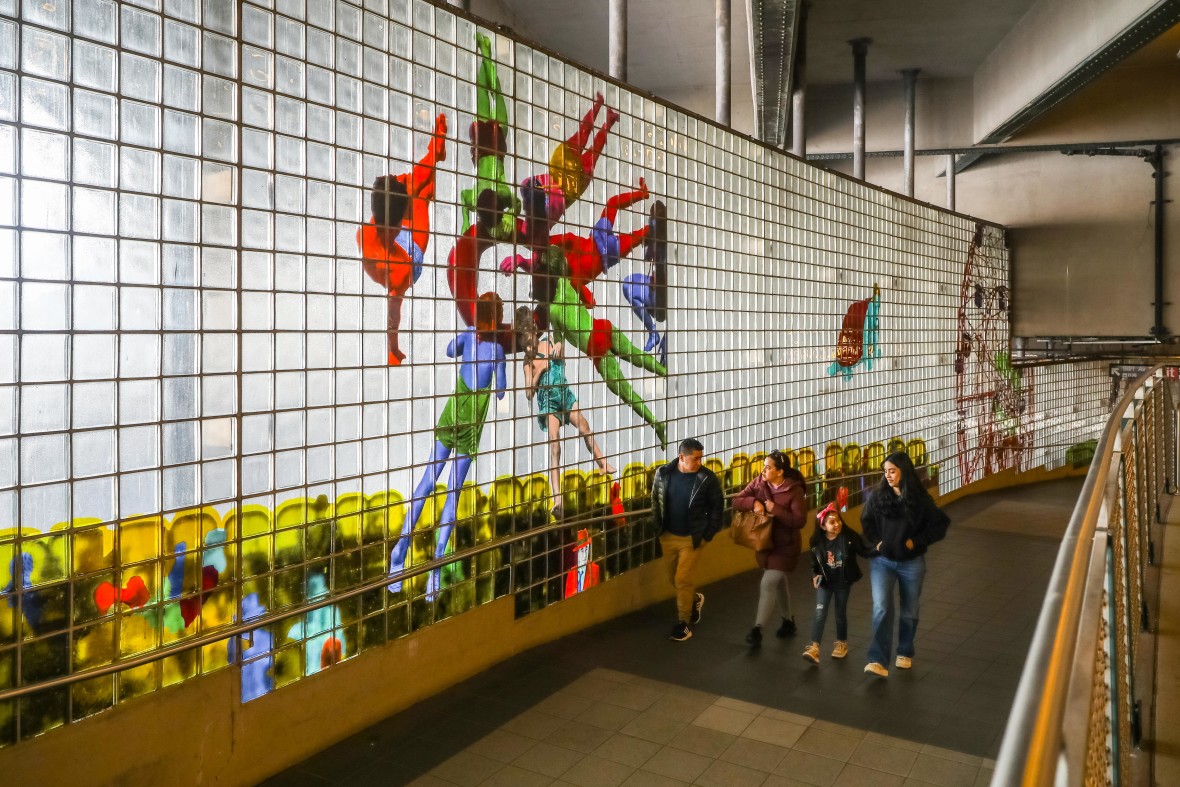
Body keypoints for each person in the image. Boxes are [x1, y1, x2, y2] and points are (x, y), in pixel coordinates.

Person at [387, 294, 509, 596]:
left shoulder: (469, 336)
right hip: (470, 428)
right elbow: (502, 393)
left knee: (427, 482)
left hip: (452, 413)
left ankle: (401, 547)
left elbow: (448, 350)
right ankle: (436, 570)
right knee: (452, 493)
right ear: (496, 318)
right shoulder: (497, 351)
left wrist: (465, 341)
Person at [356, 113, 447, 365]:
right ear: (398, 225)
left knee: (411, 187)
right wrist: (393, 349)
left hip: (389, 239)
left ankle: (434, 152)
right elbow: (393, 314)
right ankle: (434, 157)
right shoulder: (401, 272)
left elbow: (386, 214)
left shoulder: (363, 231)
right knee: (419, 196)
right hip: (411, 255)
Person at [515, 307, 616, 514]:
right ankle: (557, 499)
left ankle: (602, 462)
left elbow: (562, 363)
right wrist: (540, 370)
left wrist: (560, 348)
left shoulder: (551, 342)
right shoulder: (528, 362)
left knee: (585, 427)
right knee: (555, 447)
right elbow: (528, 393)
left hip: (564, 396)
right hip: (549, 404)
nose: (526, 346)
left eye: (528, 340)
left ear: (534, 331)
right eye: (522, 343)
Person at [860, 450, 950, 677]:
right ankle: (877, 660)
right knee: (881, 608)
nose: (888, 476)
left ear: (904, 471)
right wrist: (877, 542)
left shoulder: (920, 500)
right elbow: (866, 520)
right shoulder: (879, 496)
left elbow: (940, 523)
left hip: (912, 563)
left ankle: (905, 651)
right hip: (883, 562)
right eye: (885, 472)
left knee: (909, 610)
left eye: (892, 471)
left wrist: (917, 542)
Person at [651, 438, 725, 641]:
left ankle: (683, 623)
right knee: (673, 578)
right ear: (682, 457)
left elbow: (717, 508)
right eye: (695, 458)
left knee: (682, 579)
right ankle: (694, 600)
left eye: (701, 458)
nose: (700, 462)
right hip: (668, 536)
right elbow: (655, 503)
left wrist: (707, 535)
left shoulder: (707, 478)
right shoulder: (663, 473)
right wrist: (659, 528)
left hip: (692, 538)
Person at [733, 450, 807, 647]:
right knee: (778, 582)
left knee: (768, 583)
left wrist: (775, 509)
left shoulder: (794, 491)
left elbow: (799, 521)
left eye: (768, 467)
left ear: (780, 471)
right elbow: (737, 500)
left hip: (785, 546)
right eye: (764, 466)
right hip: (765, 543)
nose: (763, 470)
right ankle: (788, 622)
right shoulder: (760, 482)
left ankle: (757, 630)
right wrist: (754, 502)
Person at [802, 503, 876, 663]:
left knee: (840, 613)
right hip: (825, 583)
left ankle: (842, 643)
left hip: (843, 582)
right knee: (820, 612)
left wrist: (878, 548)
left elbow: (864, 551)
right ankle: (814, 648)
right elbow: (814, 563)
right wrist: (815, 575)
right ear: (822, 526)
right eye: (831, 522)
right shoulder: (816, 541)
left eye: (838, 520)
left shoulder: (849, 537)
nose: (837, 524)